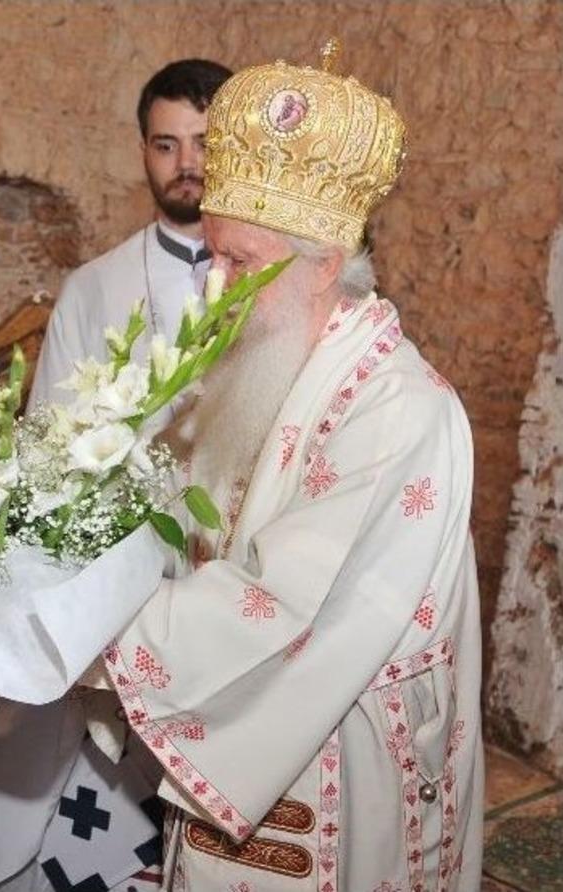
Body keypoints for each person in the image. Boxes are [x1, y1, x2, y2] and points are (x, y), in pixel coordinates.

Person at [96, 46, 483, 889]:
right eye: (214, 260)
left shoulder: (398, 411)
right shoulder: (259, 362)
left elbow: (281, 603)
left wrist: (98, 630)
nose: (215, 290)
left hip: (339, 761)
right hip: (250, 729)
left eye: (239, 264)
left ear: (321, 265)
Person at [0, 59, 233, 892]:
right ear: (142, 151)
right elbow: (47, 451)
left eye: (205, 143)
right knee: (69, 801)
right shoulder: (97, 287)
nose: (187, 165)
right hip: (110, 583)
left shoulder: (272, 292)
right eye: (166, 144)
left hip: (224, 586)